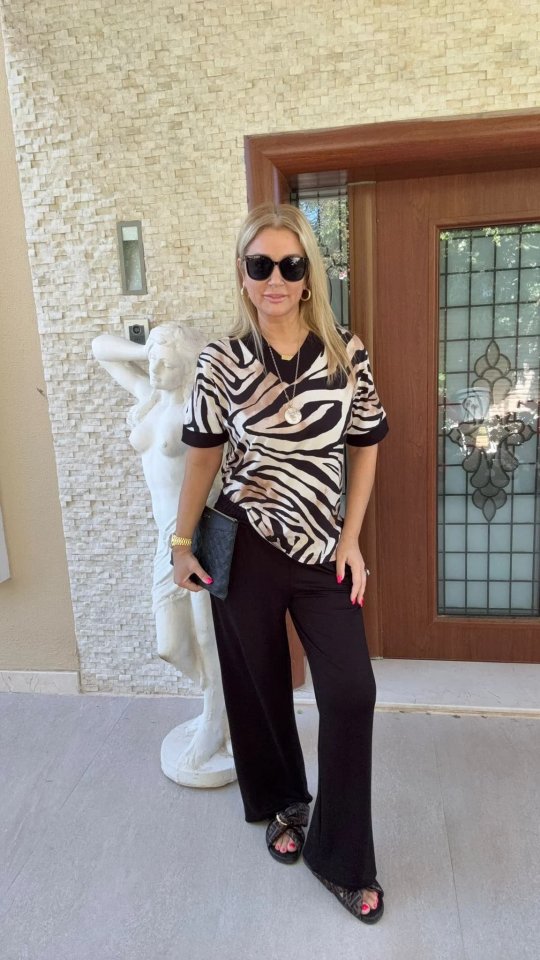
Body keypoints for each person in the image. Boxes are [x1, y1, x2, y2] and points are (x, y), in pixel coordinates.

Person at [171, 203, 389, 922]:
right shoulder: (221, 361)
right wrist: (180, 542)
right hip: (245, 544)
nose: (275, 278)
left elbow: (366, 446)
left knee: (351, 692)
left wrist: (351, 538)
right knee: (258, 686)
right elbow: (203, 458)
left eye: (289, 265)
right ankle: (283, 804)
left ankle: (342, 857)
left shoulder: (344, 352)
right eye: (260, 264)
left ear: (308, 275)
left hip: (324, 549)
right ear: (242, 273)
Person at [92, 323, 232, 778]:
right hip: (165, 541)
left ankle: (215, 722)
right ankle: (225, 703)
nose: (155, 369)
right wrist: (149, 347)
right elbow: (100, 348)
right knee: (170, 645)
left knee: (207, 637)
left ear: (187, 366)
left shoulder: (199, 408)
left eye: (166, 362)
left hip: (196, 534)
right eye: (153, 361)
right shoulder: (149, 397)